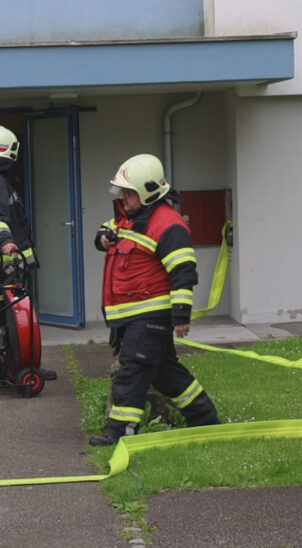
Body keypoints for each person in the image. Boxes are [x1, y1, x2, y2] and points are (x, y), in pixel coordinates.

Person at [89, 153, 220, 446]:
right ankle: (205, 419)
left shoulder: (168, 224)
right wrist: (102, 238)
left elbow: (184, 272)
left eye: (129, 192)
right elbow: (106, 228)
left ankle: (119, 431)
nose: (123, 197)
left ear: (147, 192)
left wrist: (181, 315)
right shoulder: (130, 217)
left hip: (149, 315)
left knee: (133, 369)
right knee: (164, 373)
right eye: (121, 191)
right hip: (133, 315)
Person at [0, 125, 57, 380]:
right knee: (19, 320)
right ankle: (24, 367)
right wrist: (7, 242)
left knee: (6, 320)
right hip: (9, 264)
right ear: (12, 151)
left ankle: (8, 365)